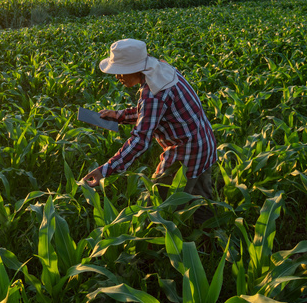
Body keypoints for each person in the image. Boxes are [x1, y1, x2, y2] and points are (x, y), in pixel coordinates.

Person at [82, 39, 217, 212]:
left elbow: (140, 140)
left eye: (121, 71)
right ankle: (209, 235)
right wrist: (118, 116)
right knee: (202, 203)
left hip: (185, 155)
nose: (117, 77)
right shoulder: (160, 69)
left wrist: (105, 171)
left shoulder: (153, 94)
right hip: (204, 143)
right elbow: (154, 113)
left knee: (155, 208)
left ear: (134, 69)